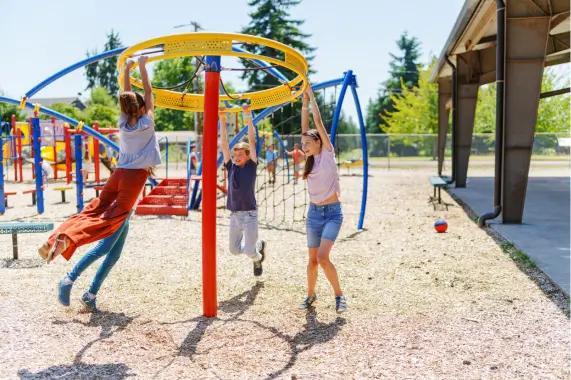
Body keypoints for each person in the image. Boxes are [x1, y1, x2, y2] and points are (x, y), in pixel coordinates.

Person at [38, 55, 160, 263]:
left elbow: (132, 94)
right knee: (110, 219)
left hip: (119, 173)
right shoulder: (146, 122)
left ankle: (52, 240)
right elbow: (147, 92)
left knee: (93, 208)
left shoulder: (123, 123)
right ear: (141, 109)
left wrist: (131, 69)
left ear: (125, 109)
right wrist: (141, 66)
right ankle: (68, 240)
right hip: (134, 177)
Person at [299, 87, 346, 313]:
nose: (304, 146)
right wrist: (303, 101)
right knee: (312, 261)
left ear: (319, 143)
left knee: (322, 257)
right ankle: (310, 295)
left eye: (308, 143)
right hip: (314, 214)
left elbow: (316, 121)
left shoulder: (327, 153)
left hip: (332, 214)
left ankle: (339, 295)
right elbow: (305, 125)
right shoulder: (309, 161)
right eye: (303, 144)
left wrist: (312, 95)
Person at [220, 105, 267, 276]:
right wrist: (222, 119)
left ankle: (256, 255)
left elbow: (252, 142)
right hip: (235, 214)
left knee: (249, 252)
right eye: (235, 155)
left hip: (250, 214)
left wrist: (248, 117)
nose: (236, 157)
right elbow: (224, 144)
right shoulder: (231, 167)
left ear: (248, 156)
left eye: (240, 155)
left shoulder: (251, 166)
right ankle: (258, 247)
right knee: (233, 250)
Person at [57, 211, 132, 311]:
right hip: (118, 212)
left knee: (114, 256)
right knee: (102, 248)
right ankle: (68, 280)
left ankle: (90, 295)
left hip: (126, 214)